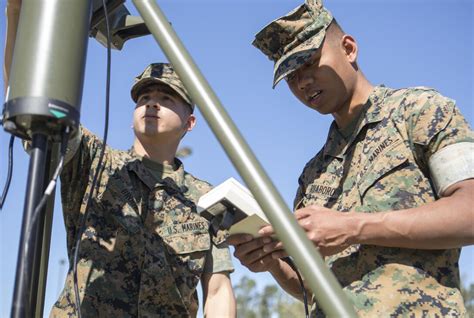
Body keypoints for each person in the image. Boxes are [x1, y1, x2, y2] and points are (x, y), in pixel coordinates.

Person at [227, 0, 474, 316]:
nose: (302, 82)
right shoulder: (313, 173)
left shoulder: (421, 111)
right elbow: (312, 283)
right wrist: (272, 262)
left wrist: (353, 227)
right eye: (291, 75)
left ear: (348, 49)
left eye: (310, 62)